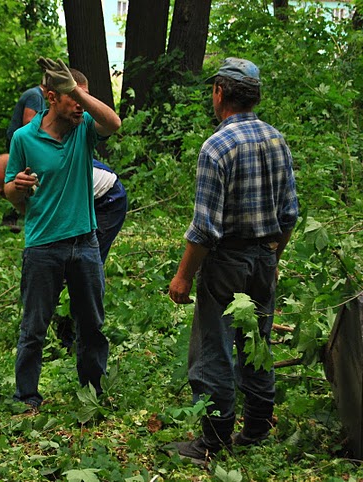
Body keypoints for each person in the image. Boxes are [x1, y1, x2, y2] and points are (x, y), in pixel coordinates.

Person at [167, 58, 298, 463]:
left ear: (220, 93)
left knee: (214, 348)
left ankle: (213, 440)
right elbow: (290, 213)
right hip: (263, 257)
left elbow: (204, 229)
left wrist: (183, 277)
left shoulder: (217, 146)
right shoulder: (277, 140)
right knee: (256, 344)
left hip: (226, 262)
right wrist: (274, 256)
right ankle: (257, 428)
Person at [4, 58, 121, 409]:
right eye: (71, 97)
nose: (79, 105)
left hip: (84, 241)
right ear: (51, 98)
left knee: (92, 326)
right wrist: (17, 186)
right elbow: (10, 190)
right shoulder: (24, 138)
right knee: (33, 327)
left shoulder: (83, 127)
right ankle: (27, 396)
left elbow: (113, 123)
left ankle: (92, 392)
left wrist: (78, 93)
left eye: (83, 98)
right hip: (42, 245)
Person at [0, 79, 47, 233]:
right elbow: (29, 121)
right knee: (20, 180)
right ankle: (13, 217)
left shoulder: (34, 94)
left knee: (22, 181)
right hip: (23, 146)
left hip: (19, 143)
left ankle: (17, 216)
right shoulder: (35, 96)